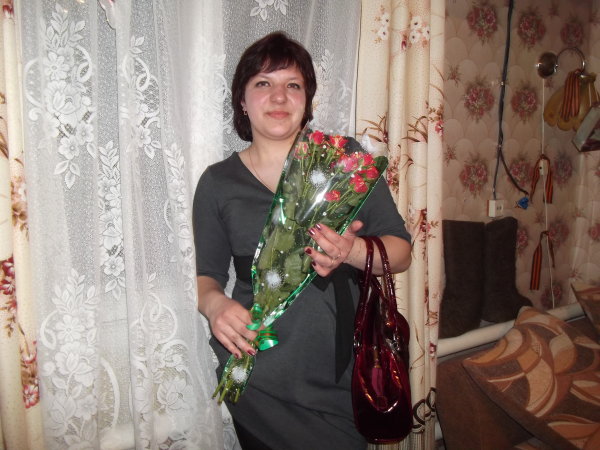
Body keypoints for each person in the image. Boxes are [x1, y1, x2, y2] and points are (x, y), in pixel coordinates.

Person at [193, 31, 412, 450]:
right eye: (263, 83)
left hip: (337, 374)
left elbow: (400, 252)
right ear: (242, 100)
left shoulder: (343, 160)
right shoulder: (217, 183)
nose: (279, 96)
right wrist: (215, 305)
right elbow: (208, 277)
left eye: (293, 85)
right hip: (257, 374)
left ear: (307, 100)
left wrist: (352, 251)